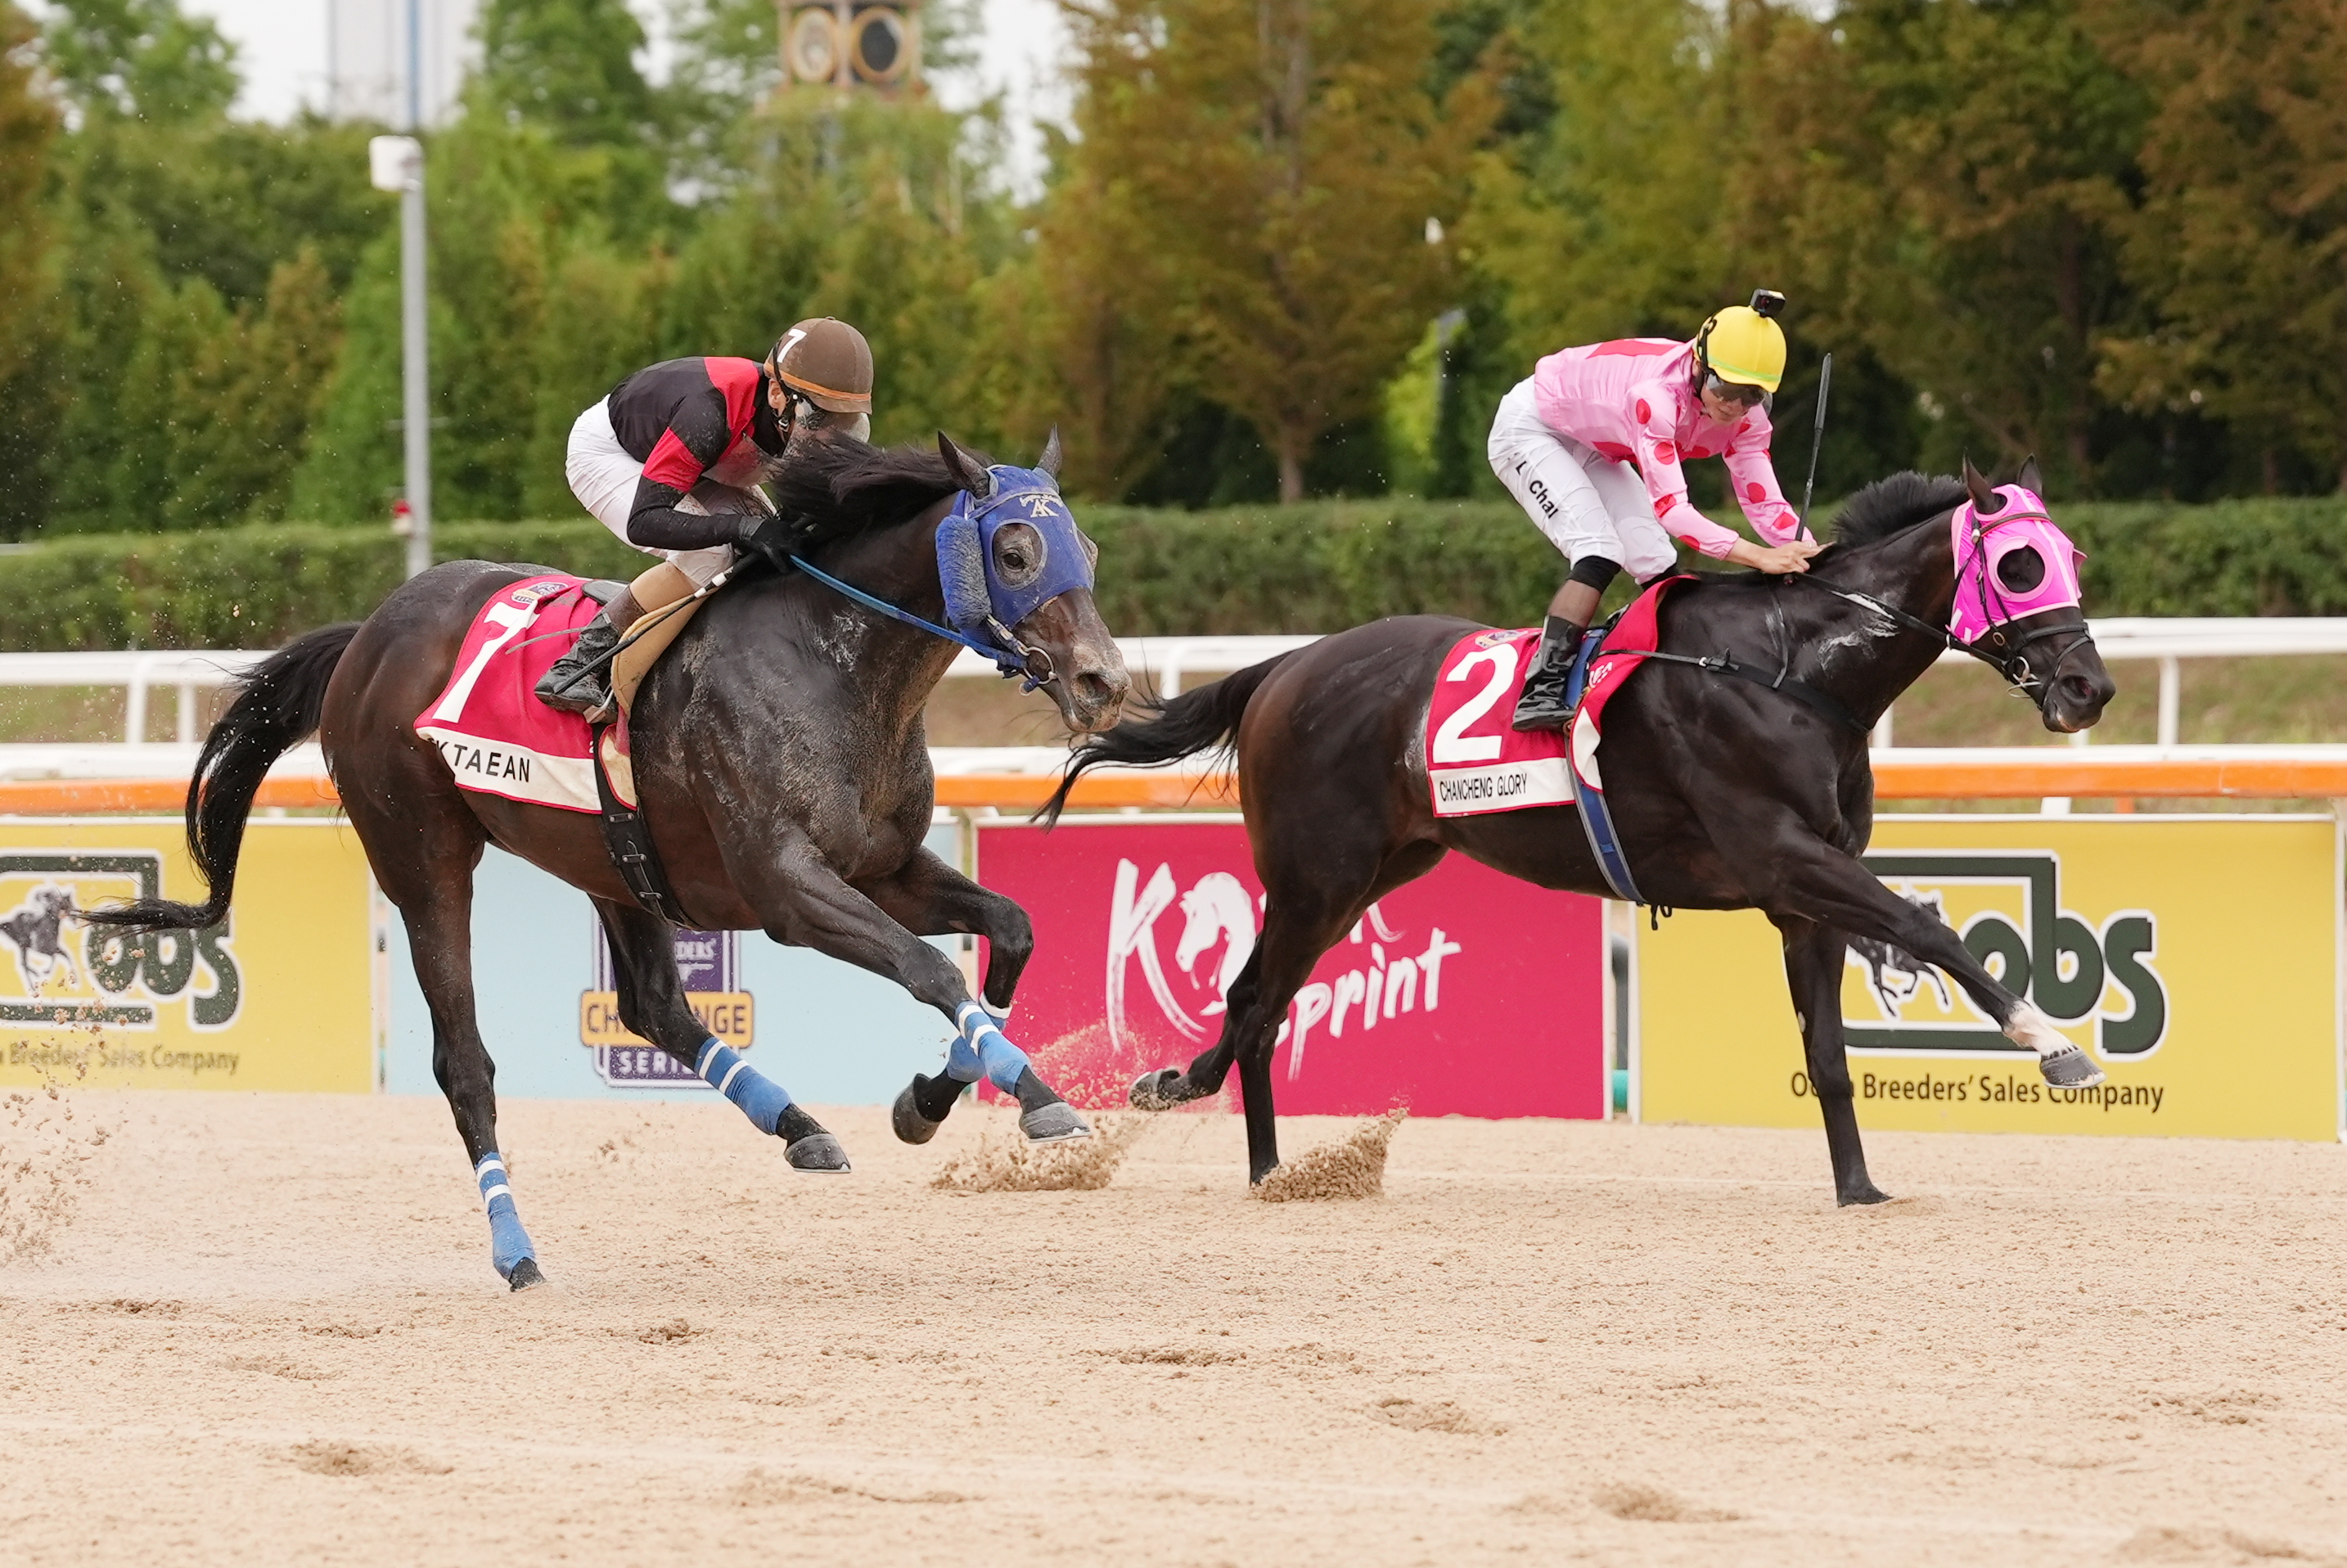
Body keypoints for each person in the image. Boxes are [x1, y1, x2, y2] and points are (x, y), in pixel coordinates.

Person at [1488, 290, 1821, 731]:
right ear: (1699, 367)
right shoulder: (1658, 398)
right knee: (1599, 549)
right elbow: (1673, 511)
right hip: (1534, 428)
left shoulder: (1749, 420)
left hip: (1597, 440)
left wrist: (1810, 552)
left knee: (1656, 559)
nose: (1734, 406)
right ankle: (1541, 690)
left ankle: (1672, 678)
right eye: (1724, 388)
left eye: (1753, 395)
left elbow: (1766, 504)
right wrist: (1760, 557)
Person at [535, 318, 876, 719]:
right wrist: (742, 527)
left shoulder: (787, 411)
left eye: (844, 419)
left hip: (706, 459)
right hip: (612, 453)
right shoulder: (708, 413)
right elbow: (645, 521)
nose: (829, 434)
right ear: (777, 394)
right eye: (818, 418)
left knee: (772, 554)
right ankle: (578, 663)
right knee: (710, 557)